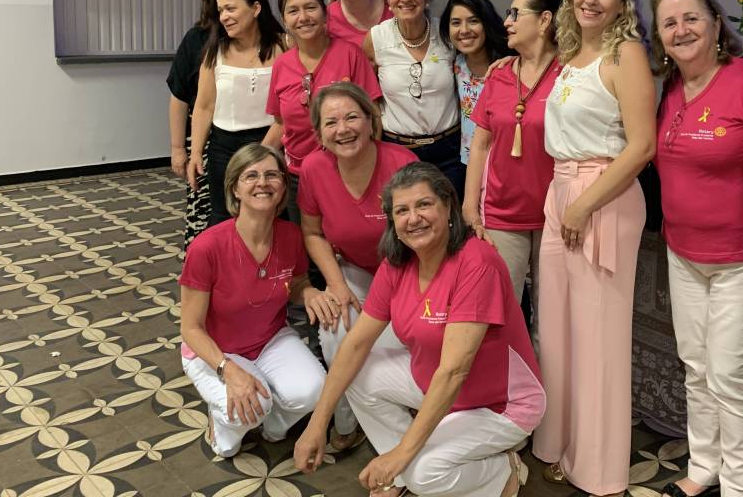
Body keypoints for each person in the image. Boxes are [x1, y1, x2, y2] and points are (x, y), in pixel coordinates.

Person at [293, 162, 542, 497]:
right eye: (402, 210)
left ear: (448, 207)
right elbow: (355, 345)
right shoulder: (397, 263)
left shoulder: (477, 262)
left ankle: (502, 472)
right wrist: (317, 423)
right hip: (436, 386)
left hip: (499, 404)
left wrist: (402, 455)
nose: (414, 218)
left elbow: (454, 371)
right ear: (392, 222)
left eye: (424, 204)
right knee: (356, 369)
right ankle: (398, 474)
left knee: (423, 476)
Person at [651, 0, 743, 497]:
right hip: (683, 252)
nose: (681, 30)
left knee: (732, 378)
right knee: (696, 367)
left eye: (691, 18)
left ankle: (738, 486)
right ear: (659, 37)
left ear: (715, 23)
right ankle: (704, 465)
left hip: (741, 257)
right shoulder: (669, 89)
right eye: (669, 23)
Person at [533, 0, 656, 497]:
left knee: (597, 337)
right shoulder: (571, 53)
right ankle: (559, 441)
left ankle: (598, 467)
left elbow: (642, 146)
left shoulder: (625, 53)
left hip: (602, 195)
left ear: (623, 1)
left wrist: (583, 206)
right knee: (558, 330)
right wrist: (564, 201)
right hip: (561, 190)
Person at [179, 143, 326, 458]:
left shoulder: (290, 235)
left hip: (270, 338)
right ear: (235, 188)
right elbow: (190, 328)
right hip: (216, 349)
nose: (263, 183)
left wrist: (309, 292)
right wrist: (228, 369)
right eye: (251, 176)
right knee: (247, 413)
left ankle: (273, 425)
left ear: (283, 187)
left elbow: (296, 282)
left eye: (272, 175)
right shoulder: (207, 248)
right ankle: (221, 431)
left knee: (313, 390)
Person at [296, 82, 416, 455]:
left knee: (394, 340)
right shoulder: (314, 168)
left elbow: (427, 238)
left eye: (352, 117)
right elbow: (312, 233)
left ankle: (404, 422)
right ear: (319, 133)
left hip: (407, 269)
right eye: (331, 122)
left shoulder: (402, 163)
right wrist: (337, 284)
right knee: (337, 330)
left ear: (370, 120)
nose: (343, 129)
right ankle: (352, 423)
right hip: (354, 268)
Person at [462, 0, 563, 336]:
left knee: (552, 318)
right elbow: (479, 145)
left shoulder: (571, 74)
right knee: (501, 314)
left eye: (516, 13)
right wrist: (469, 206)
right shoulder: (500, 74)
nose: (507, 21)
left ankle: (549, 373)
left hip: (556, 214)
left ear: (545, 20)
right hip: (502, 213)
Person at [263, 0, 381, 222]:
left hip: (347, 171)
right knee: (307, 238)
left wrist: (367, 169)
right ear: (284, 20)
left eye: (310, 7)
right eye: (293, 11)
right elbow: (280, 123)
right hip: (297, 177)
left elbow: (374, 117)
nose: (303, 17)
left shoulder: (350, 55)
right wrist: (255, 159)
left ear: (325, 12)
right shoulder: (282, 65)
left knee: (350, 236)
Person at [364, 0, 463, 196]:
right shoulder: (377, 38)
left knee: (450, 215)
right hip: (397, 150)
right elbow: (369, 99)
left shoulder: (446, 33)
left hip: (449, 150)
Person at [187, 0, 285, 226]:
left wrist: (263, 152)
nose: (224, 17)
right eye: (220, 11)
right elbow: (204, 106)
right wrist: (196, 152)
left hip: (271, 140)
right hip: (224, 147)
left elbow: (288, 110)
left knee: (273, 215)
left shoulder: (284, 46)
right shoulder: (215, 51)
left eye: (230, 9)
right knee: (225, 216)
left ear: (256, 8)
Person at [167, 0, 244, 245]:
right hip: (204, 138)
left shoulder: (261, 40)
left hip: (248, 140)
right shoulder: (196, 38)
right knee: (206, 212)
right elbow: (179, 96)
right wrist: (179, 149)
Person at [440, 0, 512, 166]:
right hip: (469, 162)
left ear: (486, 23)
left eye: (473, 21)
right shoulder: (456, 65)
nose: (464, 30)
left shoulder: (510, 65)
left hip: (505, 163)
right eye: (456, 23)